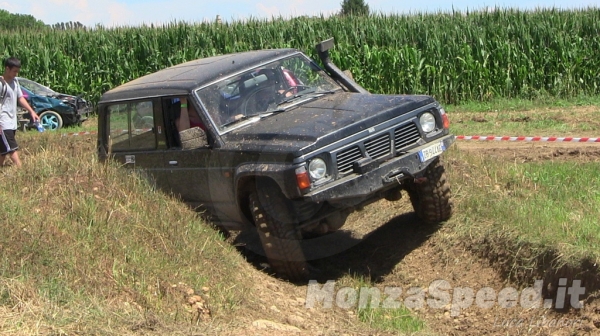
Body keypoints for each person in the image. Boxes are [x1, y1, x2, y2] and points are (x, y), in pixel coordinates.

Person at [0, 57, 40, 168]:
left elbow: (20, 98)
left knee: (3, 149)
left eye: (17, 71)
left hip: (12, 121)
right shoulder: (0, 84)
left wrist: (31, 111)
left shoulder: (15, 82)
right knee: (12, 147)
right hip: (3, 122)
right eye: (14, 71)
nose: (16, 74)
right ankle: (21, 169)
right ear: (7, 69)